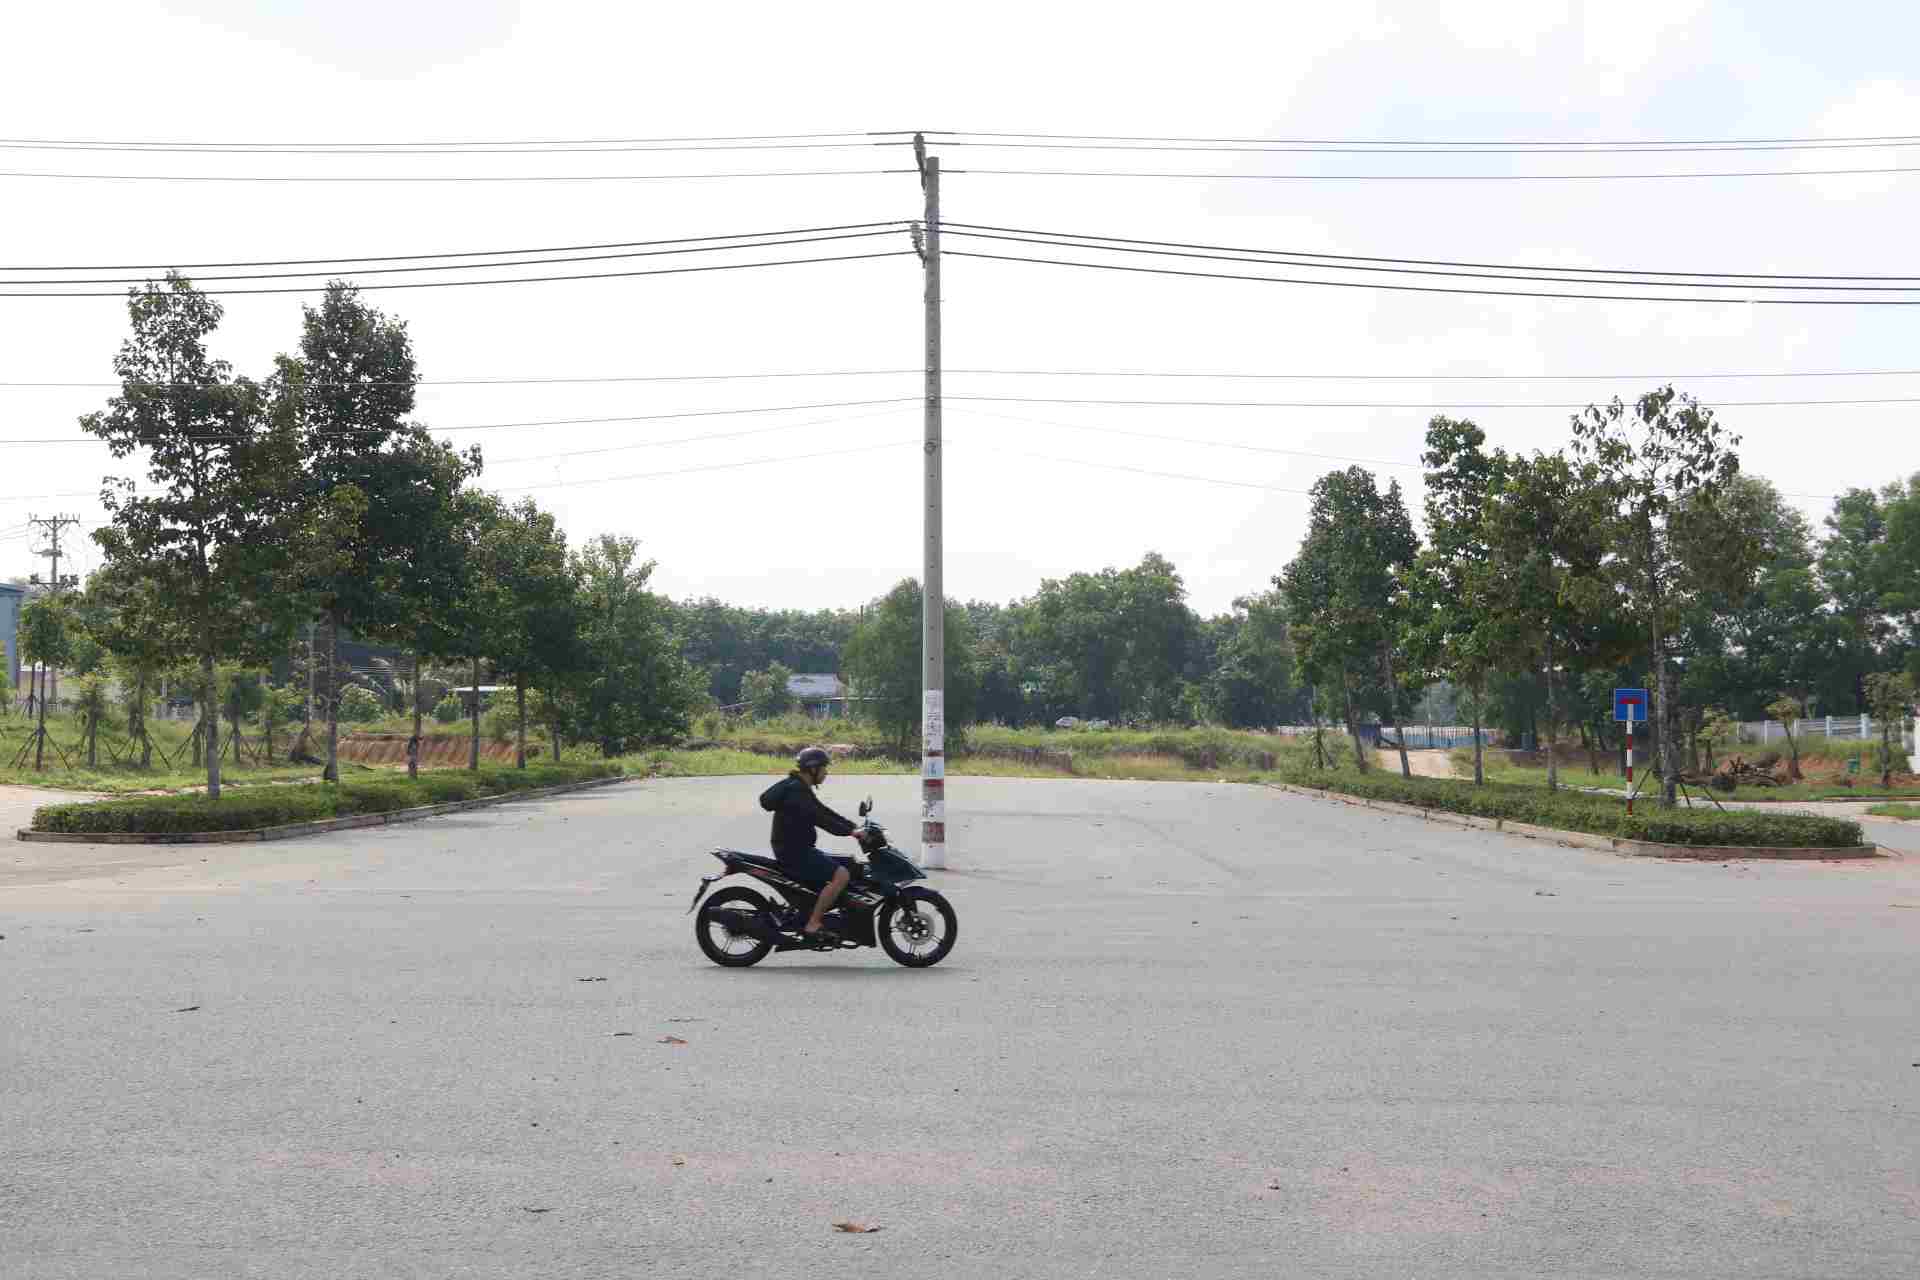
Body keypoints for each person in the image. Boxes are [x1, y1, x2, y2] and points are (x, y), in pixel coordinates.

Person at [759, 745, 865, 938]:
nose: (826, 772)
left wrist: (853, 827)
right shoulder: (797, 792)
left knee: (850, 864)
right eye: (824, 768)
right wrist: (852, 831)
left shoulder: (797, 787)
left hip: (795, 849)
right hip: (795, 852)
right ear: (813, 769)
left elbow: (823, 811)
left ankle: (816, 910)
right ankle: (813, 923)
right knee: (841, 875)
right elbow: (822, 819)